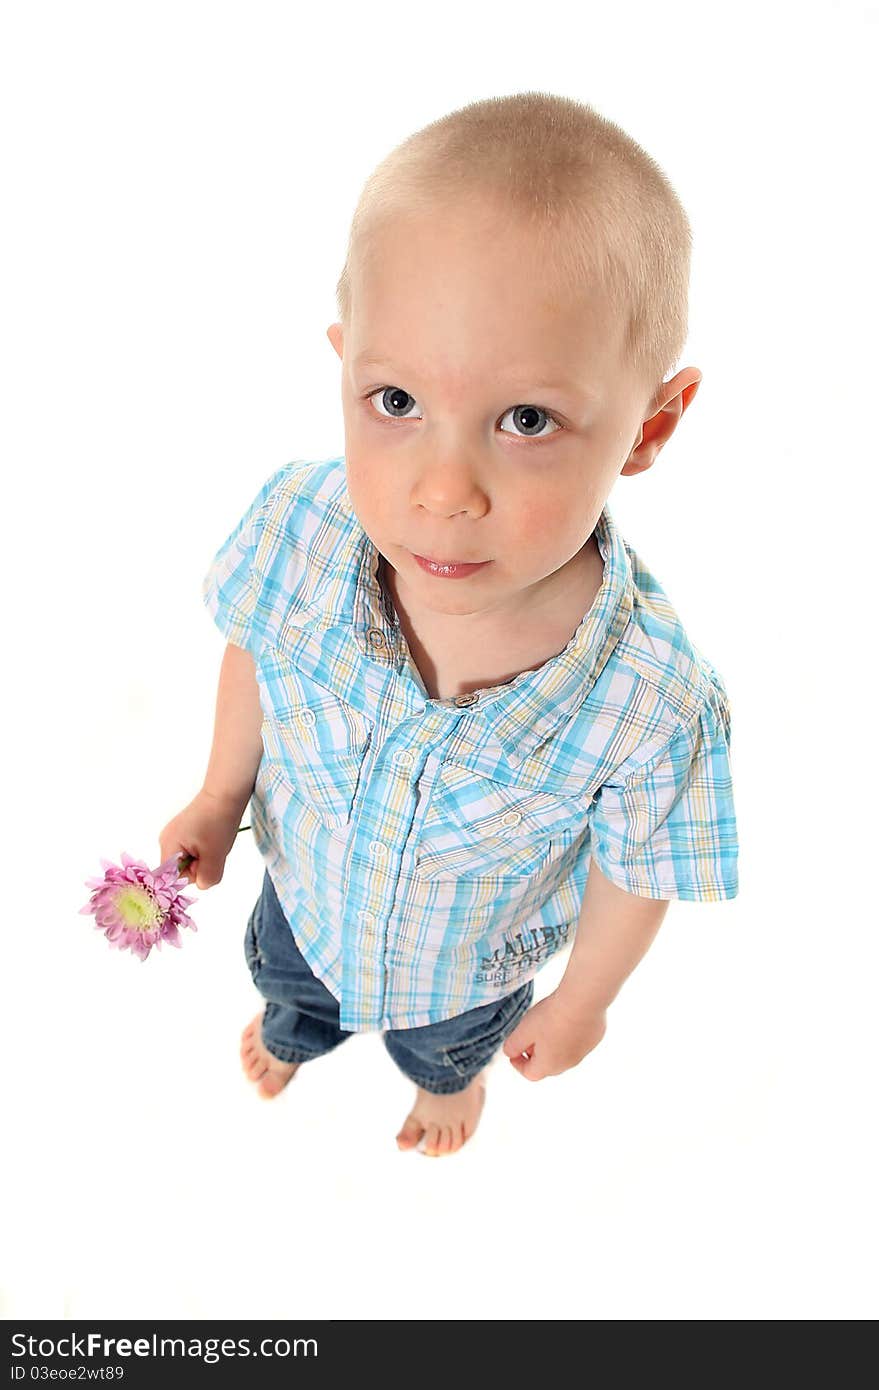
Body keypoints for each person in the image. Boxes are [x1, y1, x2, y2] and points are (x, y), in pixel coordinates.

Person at [158, 91, 739, 1158]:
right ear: (345, 364)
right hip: (305, 892)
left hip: (463, 967)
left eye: (525, 421)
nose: (441, 490)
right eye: (394, 401)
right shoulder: (303, 527)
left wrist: (580, 1004)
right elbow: (260, 652)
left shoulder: (652, 701)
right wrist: (218, 792)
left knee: (444, 1043)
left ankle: (441, 1081)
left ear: (648, 426)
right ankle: (296, 1033)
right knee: (284, 980)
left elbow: (637, 869)